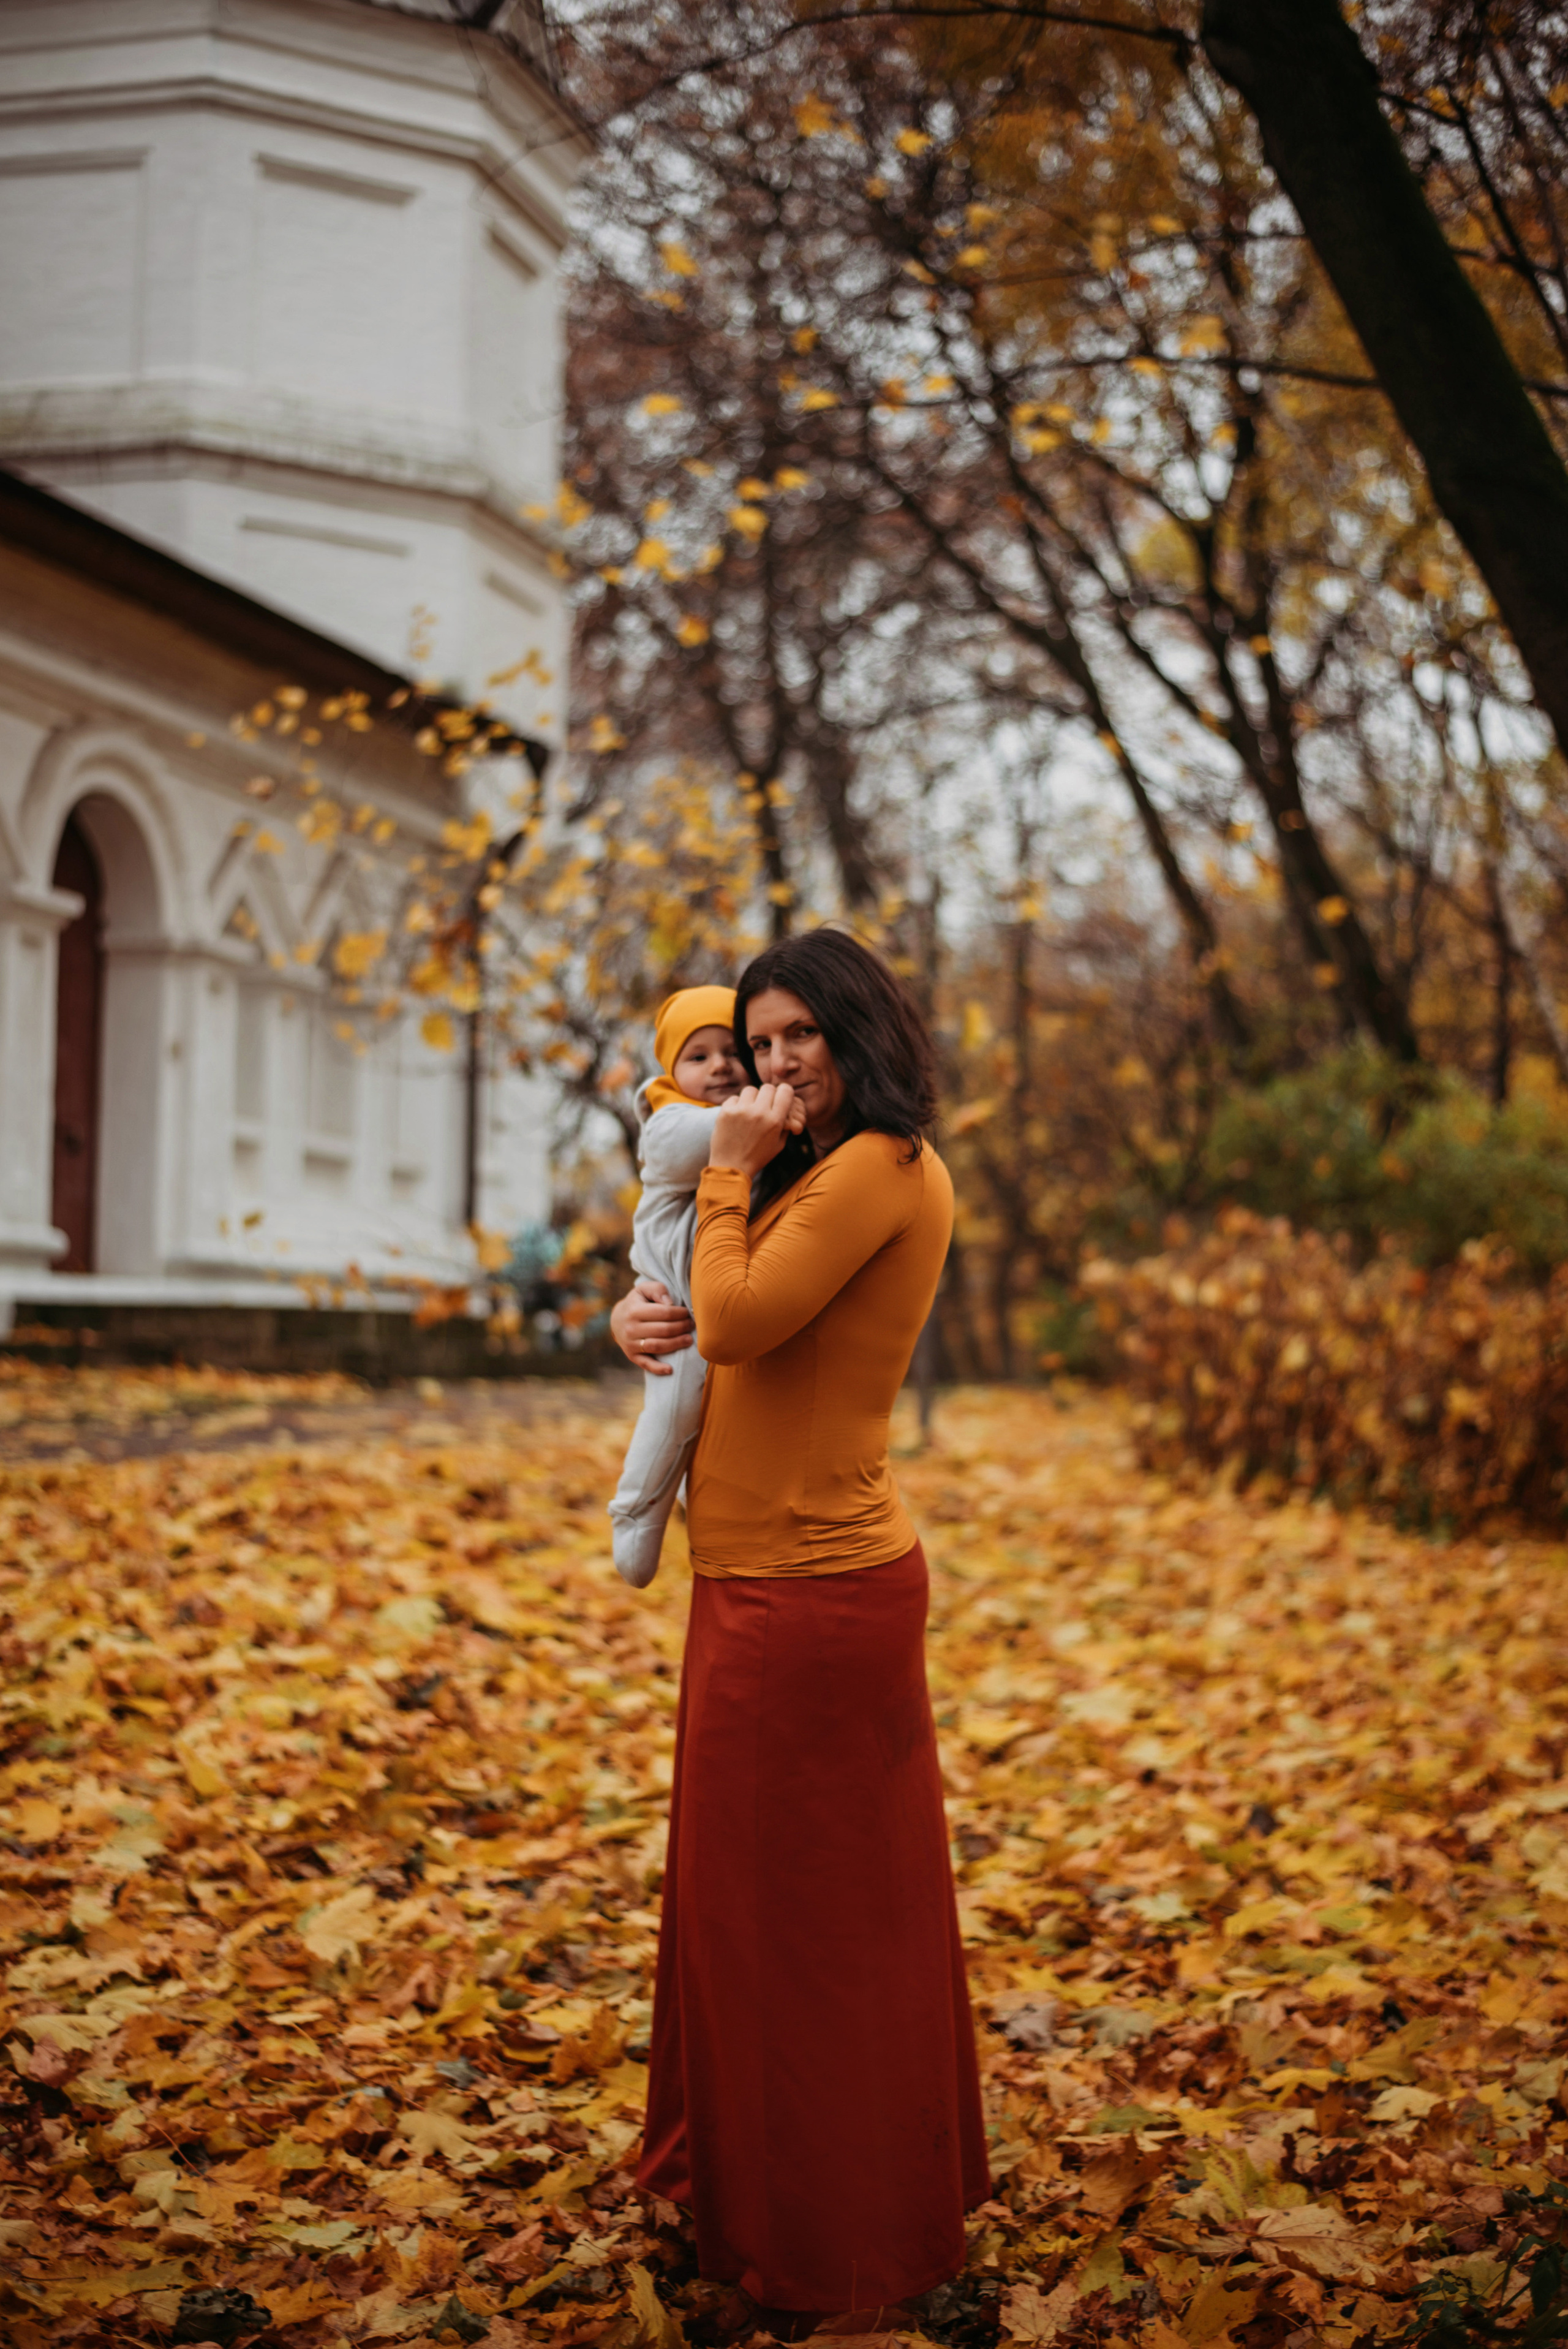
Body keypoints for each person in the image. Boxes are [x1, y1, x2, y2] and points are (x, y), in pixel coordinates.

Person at [611, 929, 989, 2325]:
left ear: (856, 1030)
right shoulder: (809, 1166)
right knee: (744, 1905)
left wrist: (721, 1175)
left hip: (812, 1596)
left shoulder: (881, 1167)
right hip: (759, 1576)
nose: (774, 1062)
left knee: (812, 1926)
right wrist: (633, 1319)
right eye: (758, 1040)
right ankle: (739, 2181)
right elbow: (699, 1312)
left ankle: (836, 2240)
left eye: (799, 1036)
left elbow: (741, 1316)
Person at [608, 985, 801, 1588]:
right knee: (675, 1410)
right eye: (698, 1056)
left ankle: (693, 1501)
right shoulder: (667, 1122)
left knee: (713, 1422)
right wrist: (771, 1112)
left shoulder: (754, 1123)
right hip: (675, 1307)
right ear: (673, 1072)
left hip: (719, 1301)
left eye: (731, 1051)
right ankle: (635, 1511)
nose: (719, 1066)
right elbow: (712, 1140)